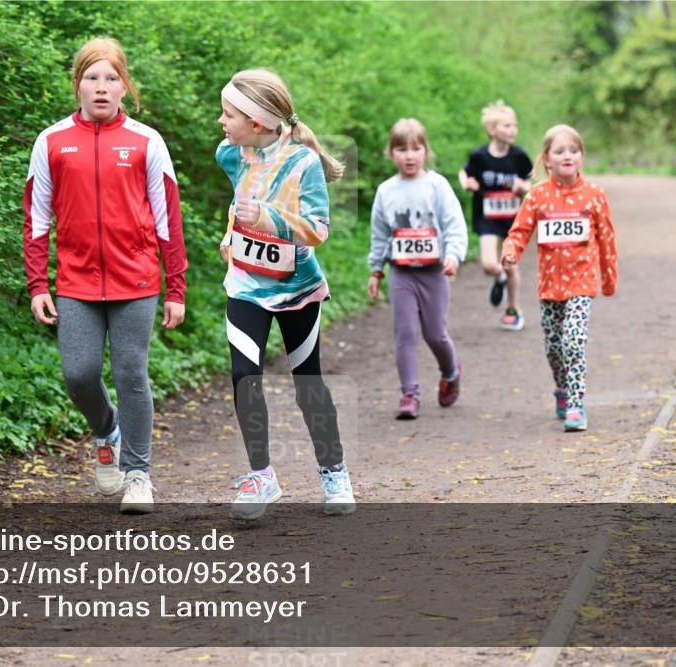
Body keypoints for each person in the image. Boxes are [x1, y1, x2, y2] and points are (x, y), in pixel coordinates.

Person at [23, 36, 187, 513]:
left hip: (136, 280)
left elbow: (166, 220)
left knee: (132, 372)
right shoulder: (51, 141)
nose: (101, 87)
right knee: (79, 374)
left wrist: (175, 286)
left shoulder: (146, 141)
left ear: (124, 87)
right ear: (77, 85)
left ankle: (138, 474)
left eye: (111, 78)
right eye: (91, 78)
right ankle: (105, 430)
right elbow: (36, 219)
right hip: (75, 282)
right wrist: (38, 283)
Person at [215, 68, 354, 519]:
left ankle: (334, 472)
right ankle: (261, 476)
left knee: (307, 382)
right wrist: (231, 233)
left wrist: (268, 220)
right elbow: (241, 201)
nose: (221, 121)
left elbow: (318, 230)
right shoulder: (232, 153)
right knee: (243, 375)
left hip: (296, 289)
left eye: (228, 114)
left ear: (257, 122)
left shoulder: (303, 164)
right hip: (246, 285)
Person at [501, 124, 618, 431]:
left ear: (581, 157)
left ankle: (577, 405)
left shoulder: (594, 196)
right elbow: (519, 231)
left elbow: (606, 239)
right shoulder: (537, 196)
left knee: (574, 342)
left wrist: (608, 279)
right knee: (554, 349)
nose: (568, 156)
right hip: (550, 287)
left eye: (574, 150)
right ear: (547, 159)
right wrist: (511, 251)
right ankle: (562, 388)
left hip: (581, 284)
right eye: (560, 151)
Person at [368, 118, 467, 419]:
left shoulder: (437, 186)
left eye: (416, 148)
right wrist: (376, 270)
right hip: (402, 273)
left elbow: (453, 225)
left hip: (433, 272)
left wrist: (453, 256)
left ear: (426, 151)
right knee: (405, 332)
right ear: (391, 153)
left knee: (435, 334)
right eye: (401, 149)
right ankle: (409, 393)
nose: (409, 155)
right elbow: (380, 233)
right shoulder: (386, 191)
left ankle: (450, 371)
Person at [459, 100, 533, 330]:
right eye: (507, 126)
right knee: (489, 263)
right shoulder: (480, 156)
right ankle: (499, 277)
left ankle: (512, 310)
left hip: (512, 219)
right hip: (487, 217)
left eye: (514, 125)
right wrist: (467, 183)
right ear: (492, 130)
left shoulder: (519, 155)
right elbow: (464, 173)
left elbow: (531, 180)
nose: (512, 130)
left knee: (512, 264)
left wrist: (524, 187)